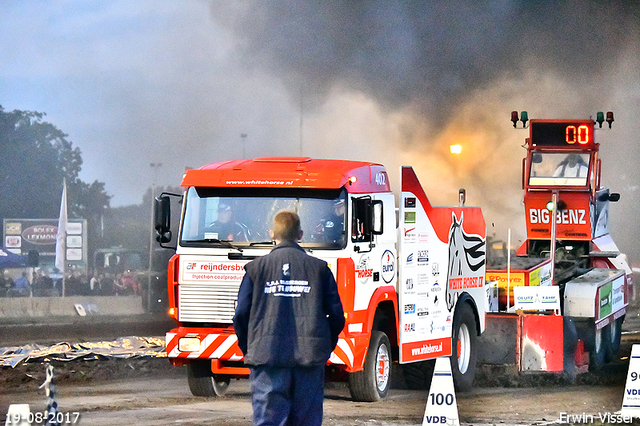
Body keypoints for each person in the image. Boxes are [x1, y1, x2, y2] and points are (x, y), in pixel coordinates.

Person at [233, 210, 345, 426]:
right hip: (309, 361)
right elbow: (337, 316)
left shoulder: (255, 269)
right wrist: (323, 347)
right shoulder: (319, 269)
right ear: (300, 234)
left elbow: (241, 314)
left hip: (267, 359)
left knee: (268, 421)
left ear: (272, 234)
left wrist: (250, 347)